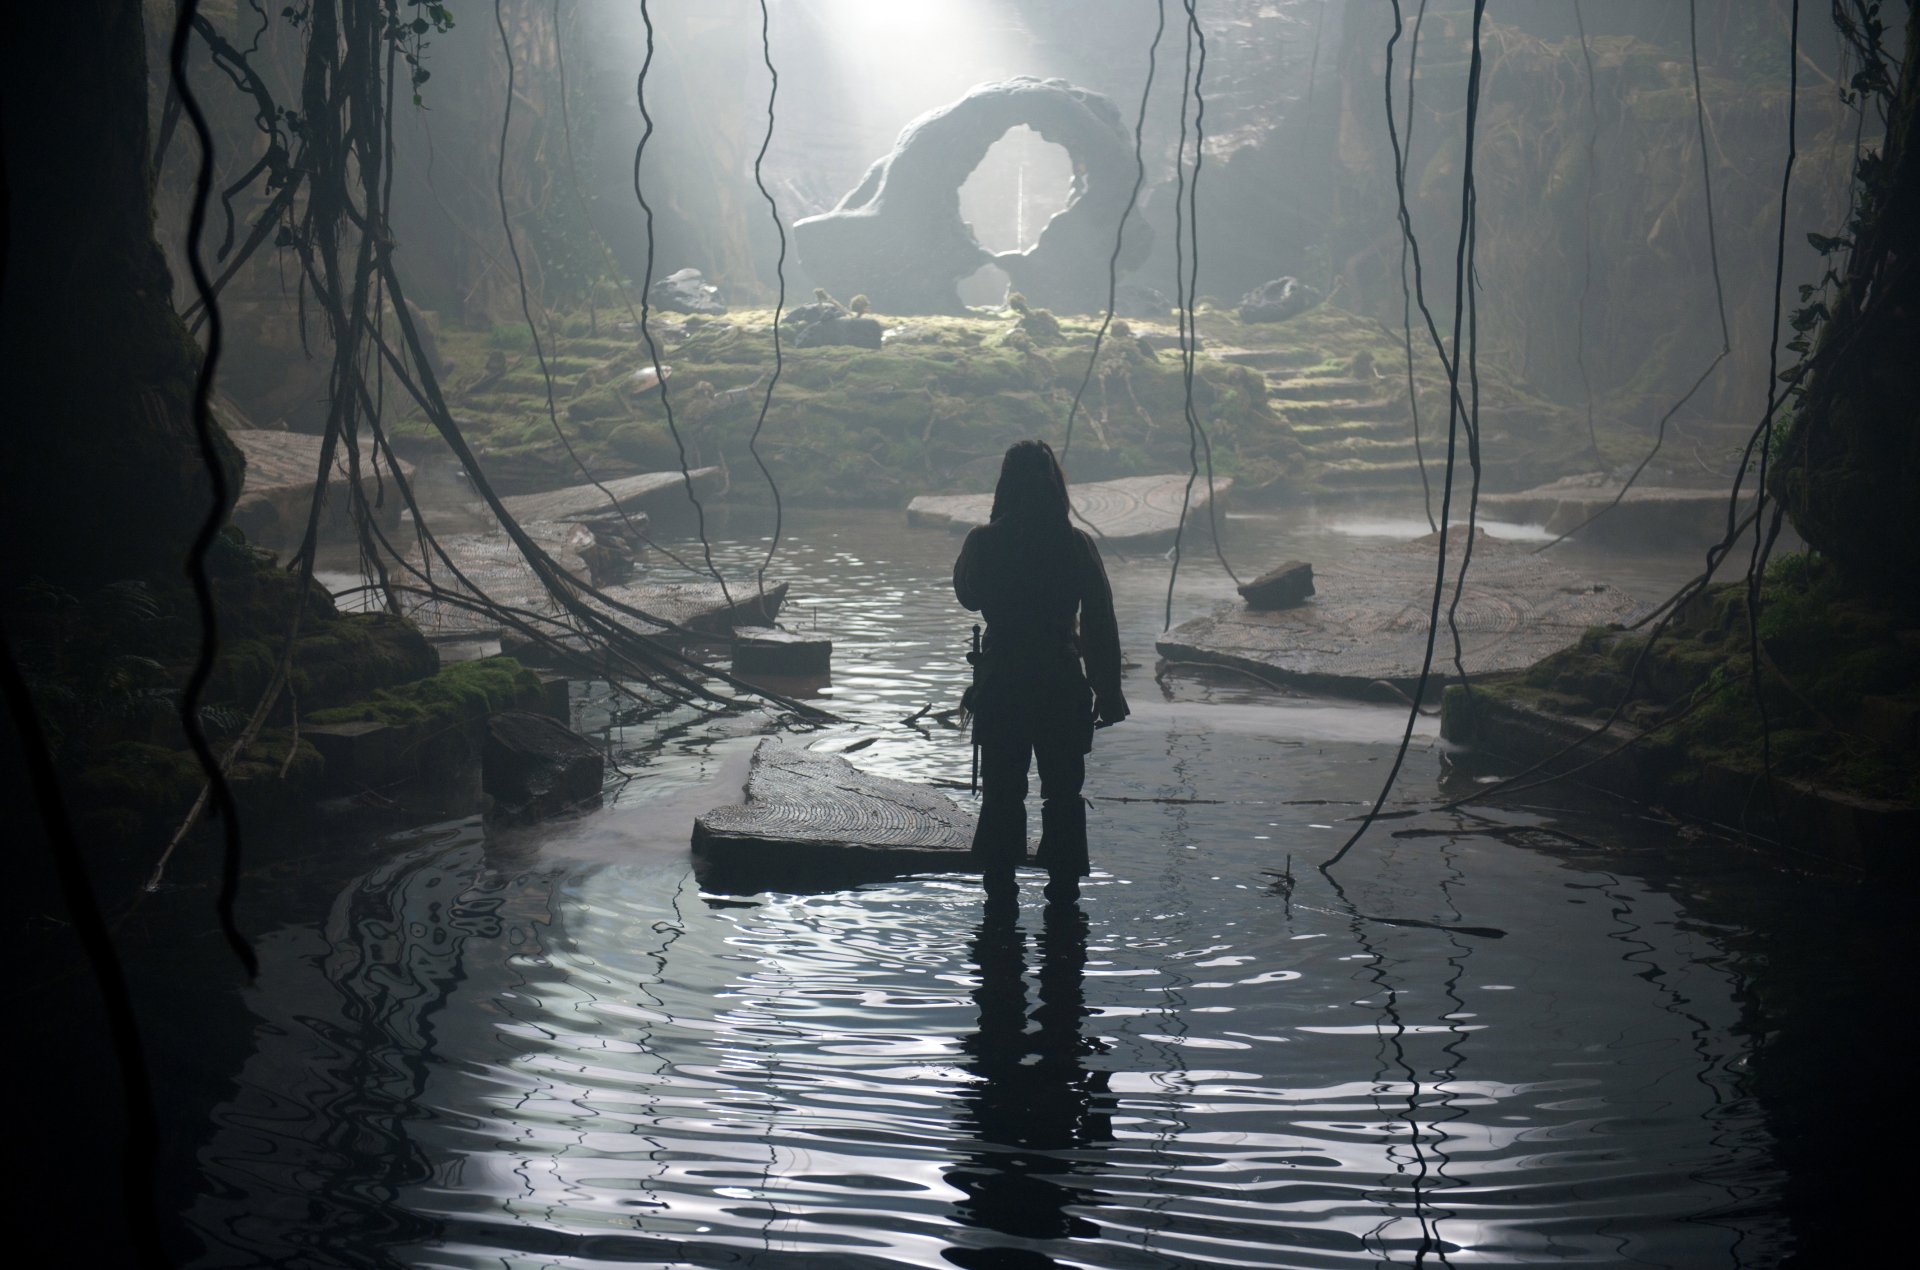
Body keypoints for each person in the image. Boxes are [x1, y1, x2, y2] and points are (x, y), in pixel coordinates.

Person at [954, 440, 1128, 905]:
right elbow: (1099, 622)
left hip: (1004, 680)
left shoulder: (983, 542)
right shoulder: (1076, 545)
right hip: (1060, 679)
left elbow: (968, 595)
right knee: (1063, 792)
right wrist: (1108, 691)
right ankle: (1064, 889)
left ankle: (1000, 891)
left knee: (1003, 792)